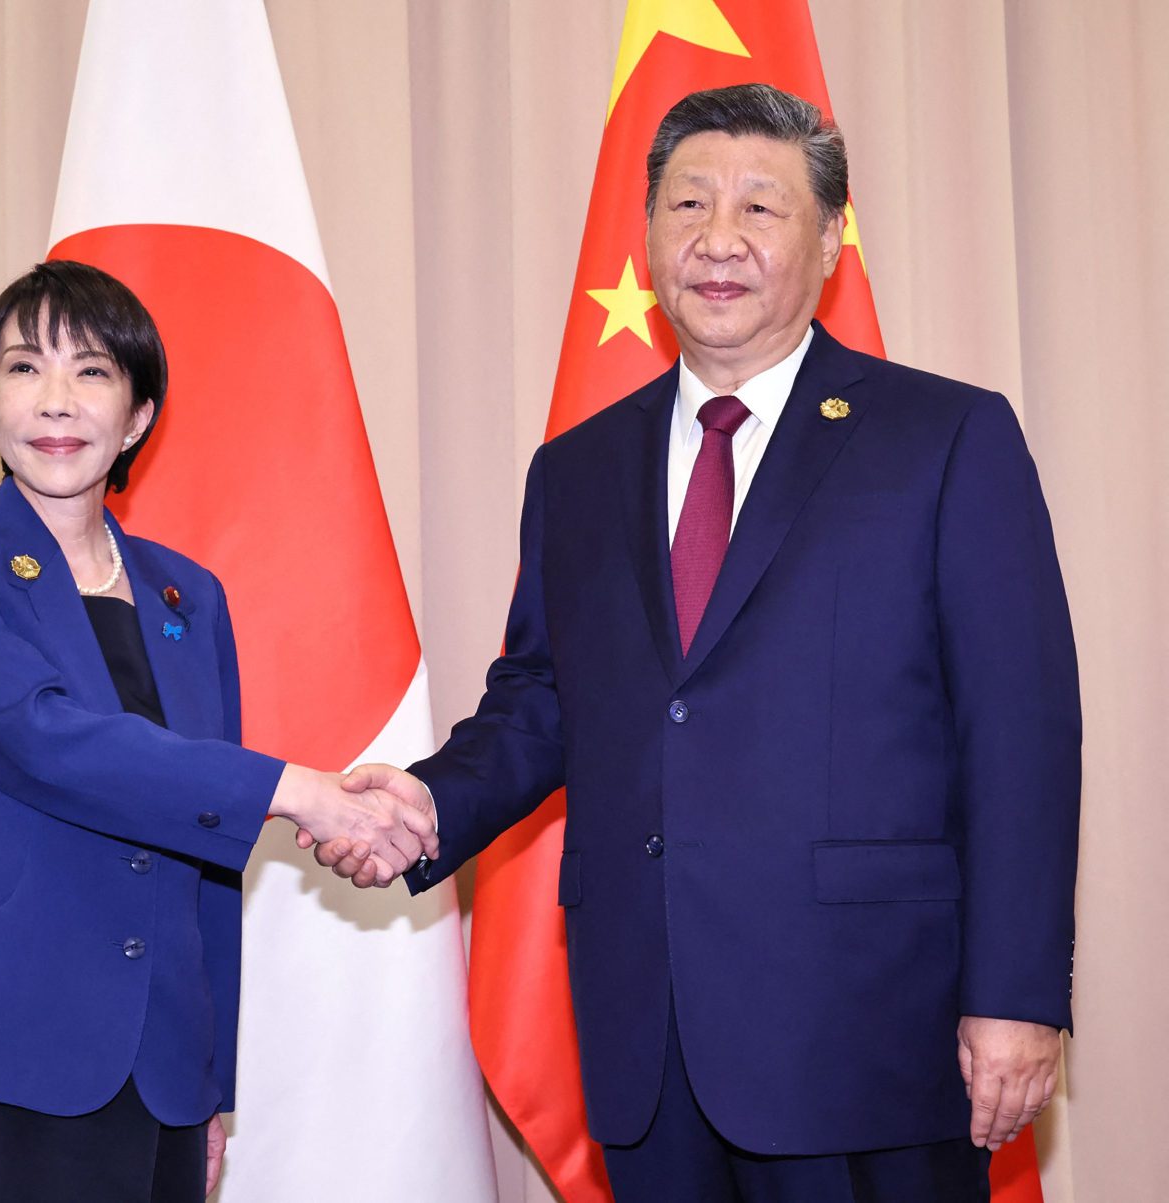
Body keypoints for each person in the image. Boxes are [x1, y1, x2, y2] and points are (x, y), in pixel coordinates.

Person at [315, 84, 1080, 1201]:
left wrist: (1015, 992)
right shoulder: (575, 471)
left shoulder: (946, 438)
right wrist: (428, 805)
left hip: (864, 1030)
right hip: (646, 1033)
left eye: (760, 210)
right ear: (649, 234)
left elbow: (1020, 734)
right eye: (687, 205)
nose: (718, 241)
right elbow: (544, 698)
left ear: (828, 244)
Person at [0, 260, 436, 1203]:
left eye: (91, 371)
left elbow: (206, 847)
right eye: (22, 368)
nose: (56, 399)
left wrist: (210, 1084)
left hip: (160, 1070)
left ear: (136, 417)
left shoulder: (190, 595)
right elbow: (43, 739)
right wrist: (298, 789)